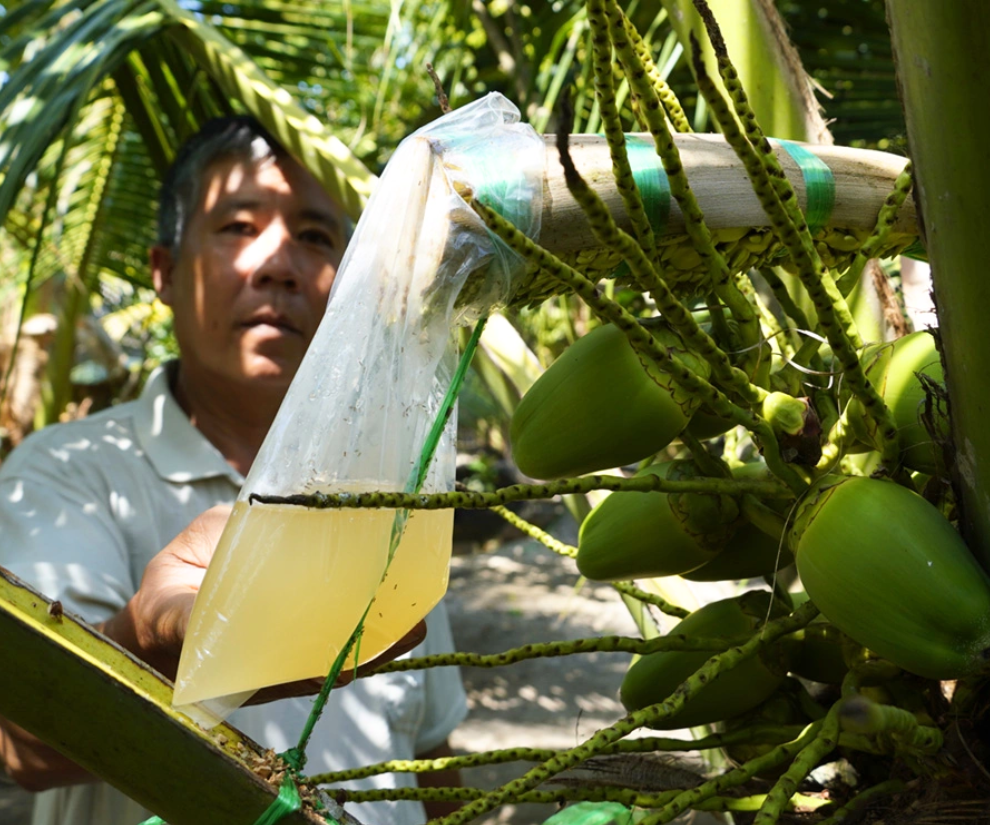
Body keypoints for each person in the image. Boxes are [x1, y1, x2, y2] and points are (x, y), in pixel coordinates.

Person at [0, 116, 468, 825]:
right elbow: (20, 744)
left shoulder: (388, 498)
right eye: (238, 227)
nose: (278, 264)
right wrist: (144, 640)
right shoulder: (65, 475)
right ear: (164, 272)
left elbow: (434, 756)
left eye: (315, 236)